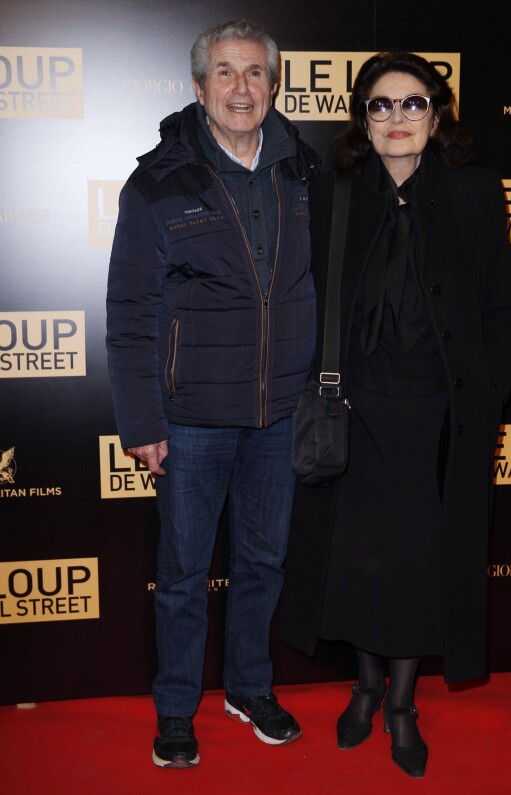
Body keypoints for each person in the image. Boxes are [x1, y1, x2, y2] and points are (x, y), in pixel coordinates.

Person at [277, 51, 511, 778]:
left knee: (419, 565)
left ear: (437, 112)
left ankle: (402, 705)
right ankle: (362, 688)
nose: (396, 119)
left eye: (411, 104)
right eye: (380, 106)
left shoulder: (476, 193)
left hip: (437, 419)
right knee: (358, 562)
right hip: (355, 413)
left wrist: (488, 394)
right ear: (363, 118)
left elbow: (503, 304)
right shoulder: (335, 192)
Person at [106, 19, 320, 768]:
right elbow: (130, 310)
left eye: (255, 72)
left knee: (265, 562)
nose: (241, 87)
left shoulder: (303, 170)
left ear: (274, 85)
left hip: (279, 413)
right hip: (190, 419)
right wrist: (141, 419)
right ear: (199, 88)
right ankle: (174, 708)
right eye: (224, 73)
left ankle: (248, 686)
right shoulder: (159, 181)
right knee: (184, 574)